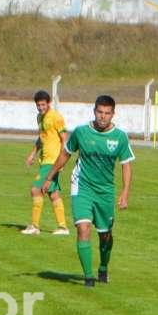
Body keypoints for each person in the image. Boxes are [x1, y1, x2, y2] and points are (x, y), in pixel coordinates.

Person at [39, 95, 133, 286]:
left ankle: (103, 267)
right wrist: (49, 177)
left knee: (105, 235)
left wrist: (125, 192)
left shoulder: (120, 137)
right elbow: (65, 154)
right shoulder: (81, 132)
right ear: (94, 111)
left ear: (113, 114)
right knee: (83, 228)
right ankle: (89, 277)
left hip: (105, 191)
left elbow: (126, 165)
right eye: (100, 112)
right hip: (82, 187)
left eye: (107, 113)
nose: (103, 116)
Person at [21, 90, 69, 236]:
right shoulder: (40, 117)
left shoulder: (56, 117)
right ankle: (62, 227)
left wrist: (62, 161)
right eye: (38, 105)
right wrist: (32, 154)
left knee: (36, 190)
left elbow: (64, 139)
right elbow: (41, 138)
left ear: (49, 103)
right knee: (52, 193)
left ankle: (34, 226)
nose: (41, 107)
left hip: (53, 161)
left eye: (43, 104)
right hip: (45, 160)